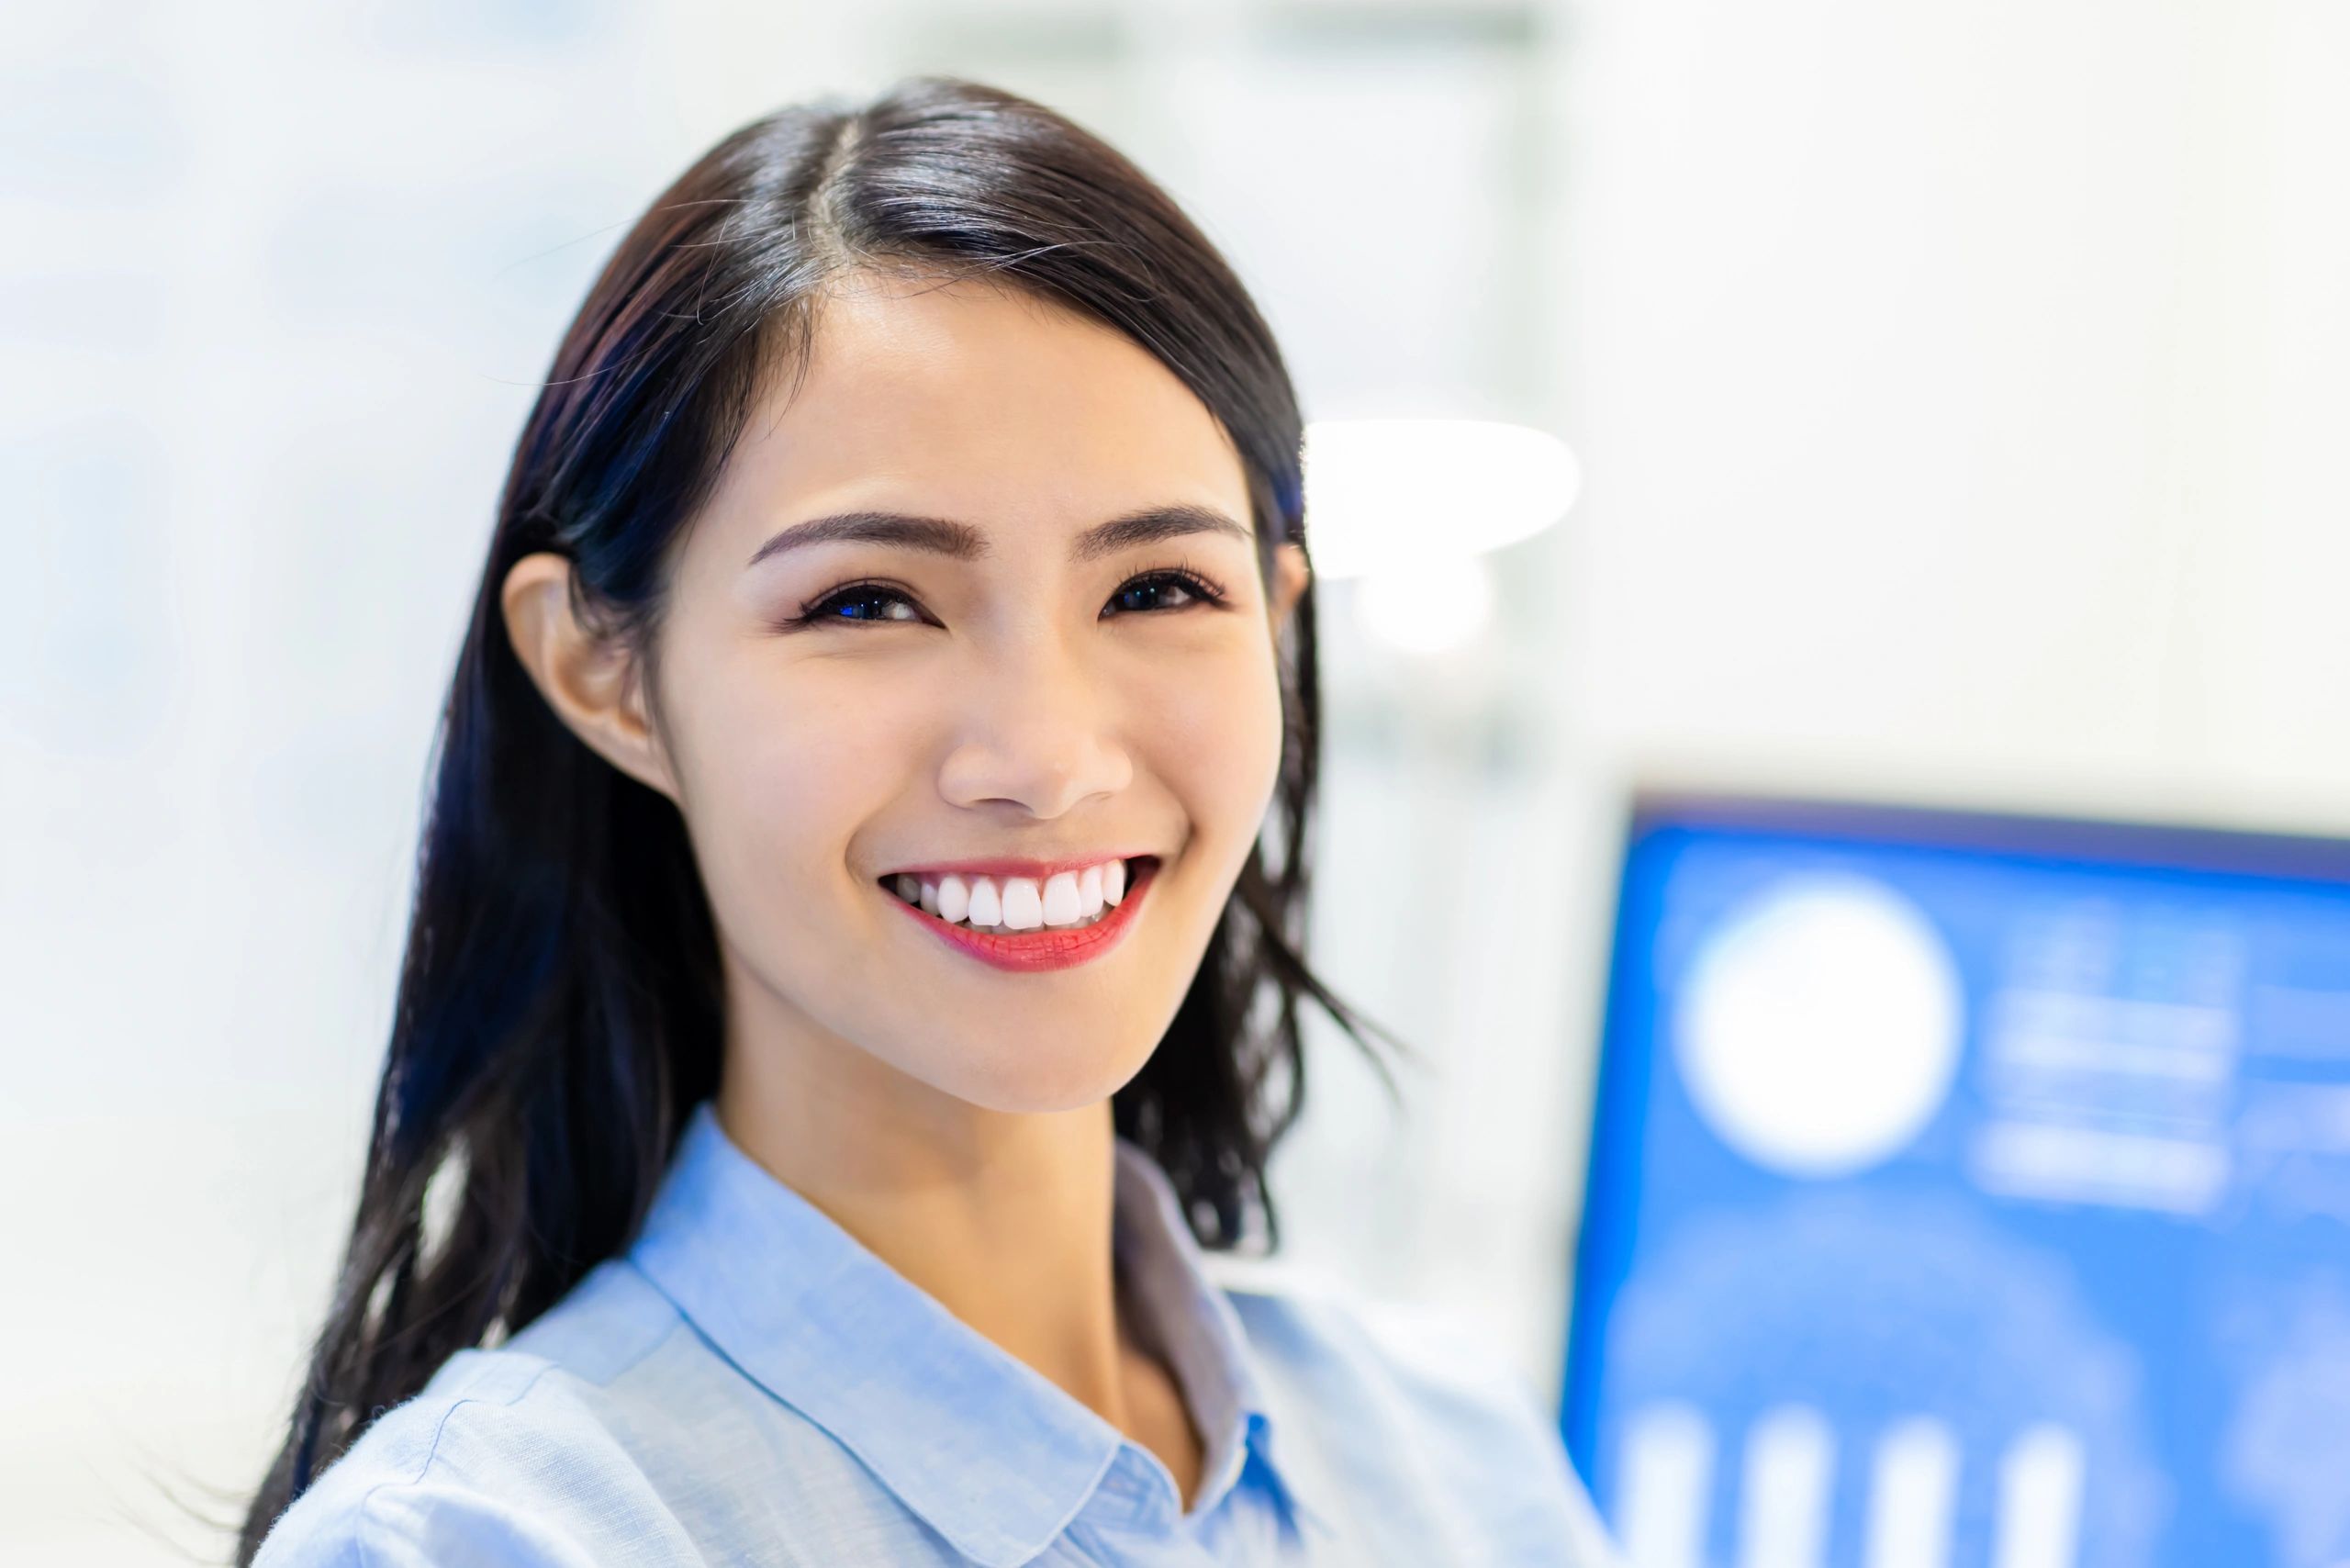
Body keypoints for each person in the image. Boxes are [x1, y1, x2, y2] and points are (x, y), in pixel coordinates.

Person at [240, 75, 1620, 1567]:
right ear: (608, 674)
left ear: (1280, 631)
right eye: (868, 602)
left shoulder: (1451, 1463)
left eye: (1159, 589)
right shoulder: (489, 1539)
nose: (1045, 757)